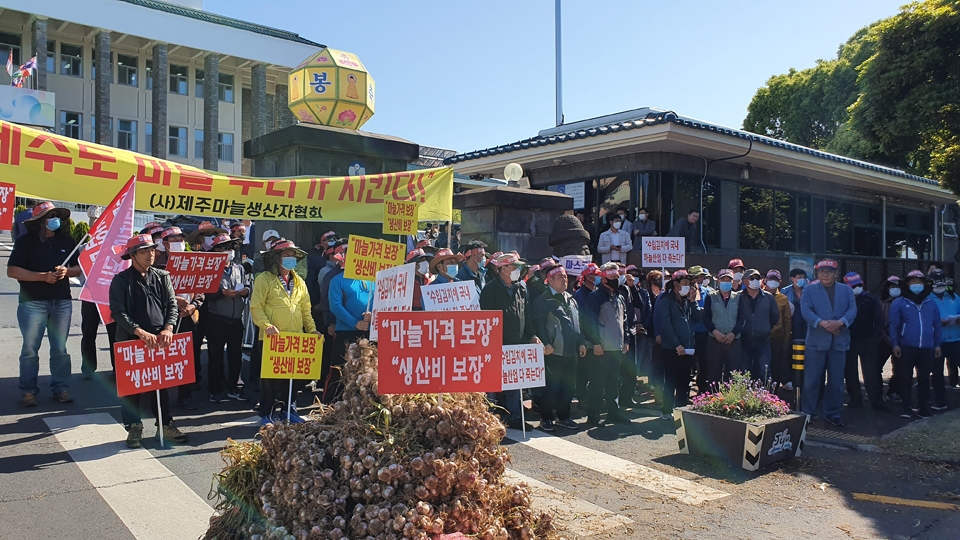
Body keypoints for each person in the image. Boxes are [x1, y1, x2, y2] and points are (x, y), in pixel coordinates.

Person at [109, 234, 188, 448]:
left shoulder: (163, 276)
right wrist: (140, 332)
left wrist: (169, 328)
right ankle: (134, 427)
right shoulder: (121, 280)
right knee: (131, 387)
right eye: (144, 251)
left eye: (152, 250)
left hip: (160, 340)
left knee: (161, 385)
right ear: (132, 255)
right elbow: (118, 313)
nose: (150, 255)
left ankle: (165, 425)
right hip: (132, 340)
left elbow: (172, 306)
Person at [8, 202, 81, 407]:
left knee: (60, 348)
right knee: (30, 349)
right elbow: (12, 270)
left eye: (57, 215)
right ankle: (28, 391)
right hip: (33, 302)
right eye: (51, 216)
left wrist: (67, 271)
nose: (55, 219)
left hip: (62, 302)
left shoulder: (67, 240)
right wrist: (43, 277)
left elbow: (78, 268)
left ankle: (61, 388)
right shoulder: (25, 242)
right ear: (40, 221)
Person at [250, 238, 319, 424]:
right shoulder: (264, 278)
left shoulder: (300, 282)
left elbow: (306, 310)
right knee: (270, 379)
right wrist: (266, 325)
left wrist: (312, 331)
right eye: (286, 255)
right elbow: (256, 307)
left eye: (293, 255)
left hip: (295, 338)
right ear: (276, 258)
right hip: (272, 337)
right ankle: (266, 413)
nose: (291, 258)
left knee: (292, 378)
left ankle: (289, 411)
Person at [480, 252, 541, 430]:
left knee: (515, 381)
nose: (518, 270)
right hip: (498, 342)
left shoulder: (521, 288)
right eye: (514, 266)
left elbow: (526, 315)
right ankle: (494, 416)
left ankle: (515, 416)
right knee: (496, 382)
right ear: (503, 268)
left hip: (517, 342)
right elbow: (486, 319)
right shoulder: (490, 290)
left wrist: (532, 334)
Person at [800, 258, 857, 426]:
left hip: (839, 342)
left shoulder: (846, 290)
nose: (825, 274)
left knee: (837, 382)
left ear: (836, 274)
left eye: (829, 271)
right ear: (817, 273)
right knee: (811, 380)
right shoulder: (809, 290)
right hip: (816, 342)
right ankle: (808, 412)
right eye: (822, 271)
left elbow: (852, 310)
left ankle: (833, 413)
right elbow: (806, 310)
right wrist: (823, 323)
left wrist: (839, 322)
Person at [530, 263, 586, 431]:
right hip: (553, 351)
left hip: (571, 351)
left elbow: (579, 324)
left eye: (566, 277)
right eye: (560, 277)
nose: (564, 280)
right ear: (550, 280)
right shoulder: (543, 300)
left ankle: (564, 416)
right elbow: (539, 324)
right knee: (551, 388)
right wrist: (546, 343)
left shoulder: (571, 299)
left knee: (568, 387)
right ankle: (546, 418)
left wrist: (582, 342)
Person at [581, 263, 631, 426]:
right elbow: (589, 322)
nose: (617, 280)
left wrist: (626, 340)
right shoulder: (595, 297)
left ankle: (613, 412)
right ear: (603, 279)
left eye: (617, 277)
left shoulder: (619, 296)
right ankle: (593, 414)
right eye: (613, 278)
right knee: (597, 383)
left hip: (616, 347)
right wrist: (596, 343)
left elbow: (625, 321)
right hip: (600, 349)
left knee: (613, 383)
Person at [889, 270, 942, 419]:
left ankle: (923, 408)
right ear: (907, 284)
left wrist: (937, 344)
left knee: (924, 378)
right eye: (913, 282)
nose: (917, 285)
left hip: (927, 347)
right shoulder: (898, 303)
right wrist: (895, 344)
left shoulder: (931, 303)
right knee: (905, 377)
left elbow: (936, 324)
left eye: (919, 282)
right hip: (906, 346)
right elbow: (893, 325)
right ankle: (906, 408)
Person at [205, 234, 249, 403]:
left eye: (230, 248)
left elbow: (245, 285)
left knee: (235, 356)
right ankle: (215, 390)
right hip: (217, 318)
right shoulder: (210, 269)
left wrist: (245, 291)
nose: (228, 252)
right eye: (223, 249)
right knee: (215, 356)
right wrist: (221, 293)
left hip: (236, 319)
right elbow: (205, 293)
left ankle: (234, 388)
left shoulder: (239, 268)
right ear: (216, 251)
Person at [326, 245, 372, 403]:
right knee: (339, 370)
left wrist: (373, 316)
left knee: (365, 372)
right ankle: (330, 405)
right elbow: (336, 306)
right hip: (346, 332)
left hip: (368, 332)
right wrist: (355, 323)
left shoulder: (371, 279)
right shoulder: (337, 280)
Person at [654, 270, 701, 418]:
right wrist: (676, 344)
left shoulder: (687, 300)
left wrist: (694, 301)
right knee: (671, 380)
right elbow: (666, 325)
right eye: (685, 283)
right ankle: (666, 410)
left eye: (689, 284)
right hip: (671, 348)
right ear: (675, 284)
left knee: (684, 380)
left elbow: (697, 318)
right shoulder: (665, 300)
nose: (688, 287)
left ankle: (680, 410)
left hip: (687, 347)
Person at [842, 272, 886, 411]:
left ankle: (876, 401)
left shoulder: (871, 299)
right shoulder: (843, 299)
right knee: (850, 372)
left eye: (859, 285)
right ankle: (855, 399)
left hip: (868, 340)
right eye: (854, 285)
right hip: (849, 340)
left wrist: (875, 337)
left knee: (871, 372)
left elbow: (879, 319)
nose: (857, 287)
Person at [737, 269, 780, 382]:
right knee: (743, 371)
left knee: (764, 370)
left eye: (757, 278)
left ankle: (767, 397)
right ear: (745, 281)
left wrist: (765, 327)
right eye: (752, 279)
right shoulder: (738, 297)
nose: (755, 281)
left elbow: (774, 317)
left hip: (763, 340)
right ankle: (743, 398)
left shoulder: (769, 297)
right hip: (743, 339)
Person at [703, 268, 743, 385]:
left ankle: (731, 398)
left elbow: (741, 318)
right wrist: (715, 332)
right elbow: (706, 317)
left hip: (733, 339)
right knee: (714, 370)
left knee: (733, 372)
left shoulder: (738, 297)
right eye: (723, 280)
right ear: (718, 281)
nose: (726, 282)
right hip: (715, 339)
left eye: (728, 280)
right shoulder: (711, 296)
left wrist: (733, 333)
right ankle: (713, 397)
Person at [927, 269, 955, 411]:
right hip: (937, 341)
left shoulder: (954, 297)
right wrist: (937, 322)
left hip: (956, 339)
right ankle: (940, 400)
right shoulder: (927, 299)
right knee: (937, 372)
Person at [765, 270, 792, 388]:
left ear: (780, 282)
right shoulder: (759, 294)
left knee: (776, 364)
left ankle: (774, 391)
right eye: (770, 279)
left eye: (775, 280)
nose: (772, 282)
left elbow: (787, 319)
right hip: (761, 336)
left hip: (777, 336)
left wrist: (786, 338)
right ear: (765, 280)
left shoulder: (783, 298)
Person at [877, 276, 902, 404]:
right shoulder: (881, 303)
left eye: (897, 286)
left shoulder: (905, 302)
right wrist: (886, 337)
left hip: (900, 340)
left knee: (899, 368)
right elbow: (877, 322)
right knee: (876, 367)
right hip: (883, 340)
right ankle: (877, 393)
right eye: (892, 287)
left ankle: (894, 391)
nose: (895, 289)